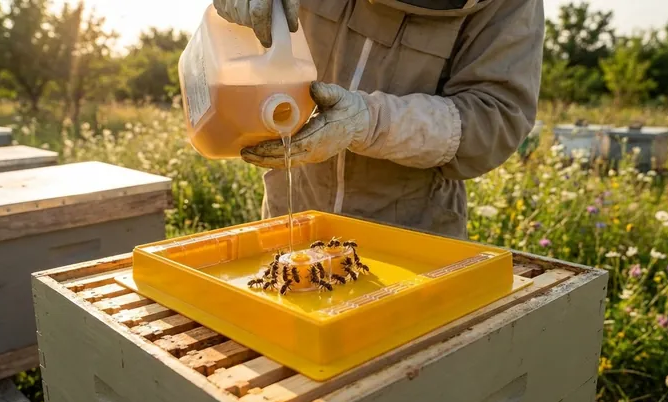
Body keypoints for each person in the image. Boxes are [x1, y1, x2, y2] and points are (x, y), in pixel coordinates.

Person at [213, 0, 544, 239]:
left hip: (411, 240)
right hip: (291, 219)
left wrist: (370, 123)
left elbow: (495, 118)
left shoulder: (511, 7)